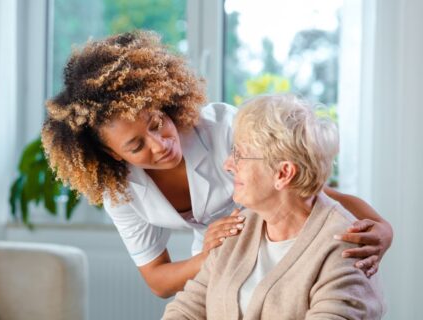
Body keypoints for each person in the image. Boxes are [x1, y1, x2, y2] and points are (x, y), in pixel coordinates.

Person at [41, 30, 392, 298]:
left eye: (156, 122)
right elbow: (158, 280)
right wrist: (208, 256)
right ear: (115, 156)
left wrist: (381, 227)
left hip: (287, 246)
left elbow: (308, 188)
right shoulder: (120, 189)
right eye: (136, 146)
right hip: (217, 264)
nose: (161, 144)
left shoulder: (225, 129)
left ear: (162, 101)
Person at [163, 94, 385, 319]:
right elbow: (187, 308)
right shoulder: (238, 227)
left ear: (283, 173)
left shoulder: (345, 249)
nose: (228, 164)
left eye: (240, 154)